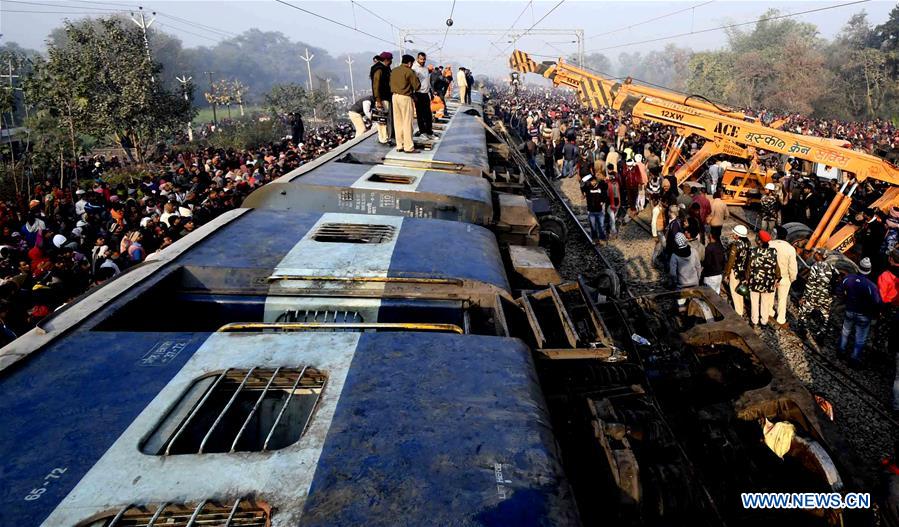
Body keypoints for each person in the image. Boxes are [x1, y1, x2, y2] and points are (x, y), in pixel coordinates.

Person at [837, 257, 882, 367]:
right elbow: (877, 302)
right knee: (860, 338)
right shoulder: (871, 286)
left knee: (845, 331)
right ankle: (854, 358)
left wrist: (845, 298)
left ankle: (841, 351)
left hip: (849, 310)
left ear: (858, 267)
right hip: (864, 315)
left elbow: (839, 290)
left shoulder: (848, 278)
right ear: (869, 270)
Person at [795, 248, 839, 332]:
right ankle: (821, 334)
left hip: (814, 296)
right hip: (826, 297)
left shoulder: (815, 267)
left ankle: (802, 331)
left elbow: (810, 285)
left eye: (815, 253)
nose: (814, 254)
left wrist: (804, 298)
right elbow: (836, 281)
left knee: (803, 311)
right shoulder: (833, 268)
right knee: (825, 315)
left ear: (819, 255)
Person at [745, 230, 780, 328]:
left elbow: (749, 267)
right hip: (768, 282)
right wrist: (778, 278)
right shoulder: (773, 252)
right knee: (765, 302)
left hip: (755, 281)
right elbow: (776, 267)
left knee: (754, 301)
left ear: (759, 241)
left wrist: (747, 278)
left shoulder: (753, 251)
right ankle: (764, 322)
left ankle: (754, 321)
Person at [389, 54, 421, 154]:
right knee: (407, 122)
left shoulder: (394, 70)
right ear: (410, 63)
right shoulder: (409, 71)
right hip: (405, 97)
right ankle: (409, 147)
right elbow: (417, 86)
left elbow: (390, 84)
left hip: (394, 97)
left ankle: (400, 145)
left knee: (398, 122)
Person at [768, 227, 798, 328]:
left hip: (770, 275)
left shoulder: (769, 244)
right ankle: (781, 319)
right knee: (782, 298)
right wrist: (792, 278)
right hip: (785, 277)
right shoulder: (790, 249)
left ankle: (769, 312)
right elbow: (792, 267)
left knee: (770, 295)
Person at [724, 224, 752, 317]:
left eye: (734, 233)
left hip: (735, 271)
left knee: (735, 291)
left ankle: (738, 311)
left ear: (738, 235)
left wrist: (727, 274)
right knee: (741, 289)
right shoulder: (748, 243)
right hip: (744, 271)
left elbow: (731, 262)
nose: (733, 234)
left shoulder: (735, 246)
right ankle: (741, 306)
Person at [370, 52, 395, 145]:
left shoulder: (385, 68)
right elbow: (376, 85)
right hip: (382, 98)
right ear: (386, 60)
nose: (391, 61)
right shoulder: (379, 69)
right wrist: (378, 100)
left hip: (386, 97)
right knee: (382, 119)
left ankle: (386, 137)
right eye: (390, 59)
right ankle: (384, 139)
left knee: (386, 118)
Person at [411, 52, 434, 139]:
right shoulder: (414, 68)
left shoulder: (425, 68)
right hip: (418, 94)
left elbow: (427, 81)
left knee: (428, 114)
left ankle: (429, 131)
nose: (422, 61)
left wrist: (430, 92)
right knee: (420, 114)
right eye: (421, 59)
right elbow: (412, 82)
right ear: (417, 58)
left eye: (424, 59)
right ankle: (422, 131)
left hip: (426, 93)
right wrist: (414, 95)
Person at [582, 174, 608, 244]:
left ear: (596, 181)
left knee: (601, 226)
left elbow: (605, 193)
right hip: (591, 211)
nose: (593, 182)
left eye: (594, 181)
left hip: (599, 211)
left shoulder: (601, 187)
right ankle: (595, 239)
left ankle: (602, 238)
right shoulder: (587, 188)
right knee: (593, 227)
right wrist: (587, 178)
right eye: (591, 181)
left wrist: (603, 201)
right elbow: (582, 186)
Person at [702, 229, 726, 294]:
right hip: (719, 275)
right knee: (716, 294)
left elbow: (707, 262)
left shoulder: (709, 247)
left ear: (711, 235)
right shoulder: (720, 246)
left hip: (710, 276)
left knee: (708, 296)